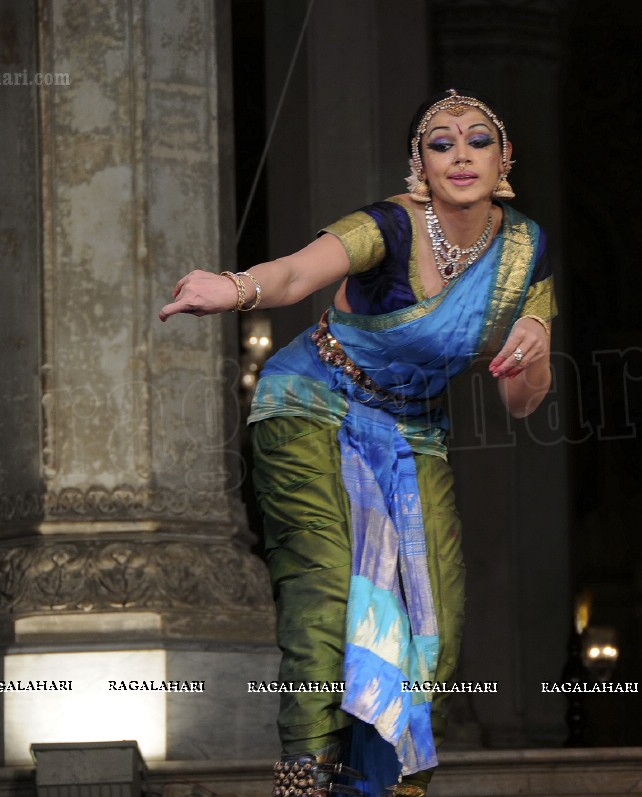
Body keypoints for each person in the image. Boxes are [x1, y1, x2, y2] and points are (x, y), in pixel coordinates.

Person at [160, 88, 556, 797]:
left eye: (476, 140)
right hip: (311, 402)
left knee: (433, 616)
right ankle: (305, 776)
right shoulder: (387, 226)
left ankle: (380, 782)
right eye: (440, 142)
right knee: (324, 586)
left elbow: (520, 403)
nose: (459, 154)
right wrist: (233, 286)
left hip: (411, 429)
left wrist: (536, 352)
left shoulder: (523, 248)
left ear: (505, 160)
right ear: (418, 163)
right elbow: (295, 273)